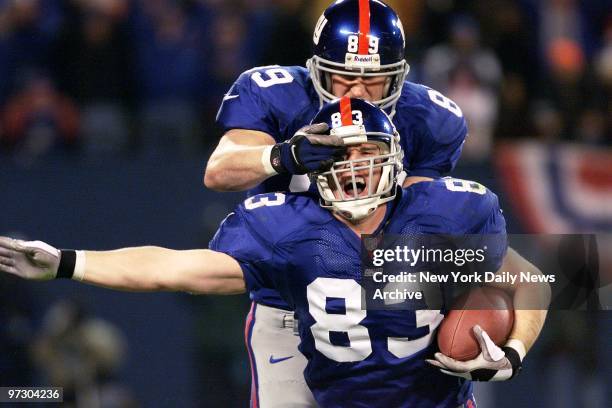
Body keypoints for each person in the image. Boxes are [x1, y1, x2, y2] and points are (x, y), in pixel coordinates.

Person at [0, 99, 548, 407]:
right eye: (338, 157)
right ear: (312, 165)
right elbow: (175, 267)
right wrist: (70, 261)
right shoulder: (288, 230)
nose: (354, 169)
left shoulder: (444, 216)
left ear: (396, 161)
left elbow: (538, 282)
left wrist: (516, 352)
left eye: (366, 155)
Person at [205, 1, 468, 404]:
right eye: (343, 78)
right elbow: (220, 170)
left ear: (397, 76)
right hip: (288, 304)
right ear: (318, 70)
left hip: (377, 306)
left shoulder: (427, 118)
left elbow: (418, 227)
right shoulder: (277, 94)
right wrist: (283, 155)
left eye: (373, 80)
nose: (359, 92)